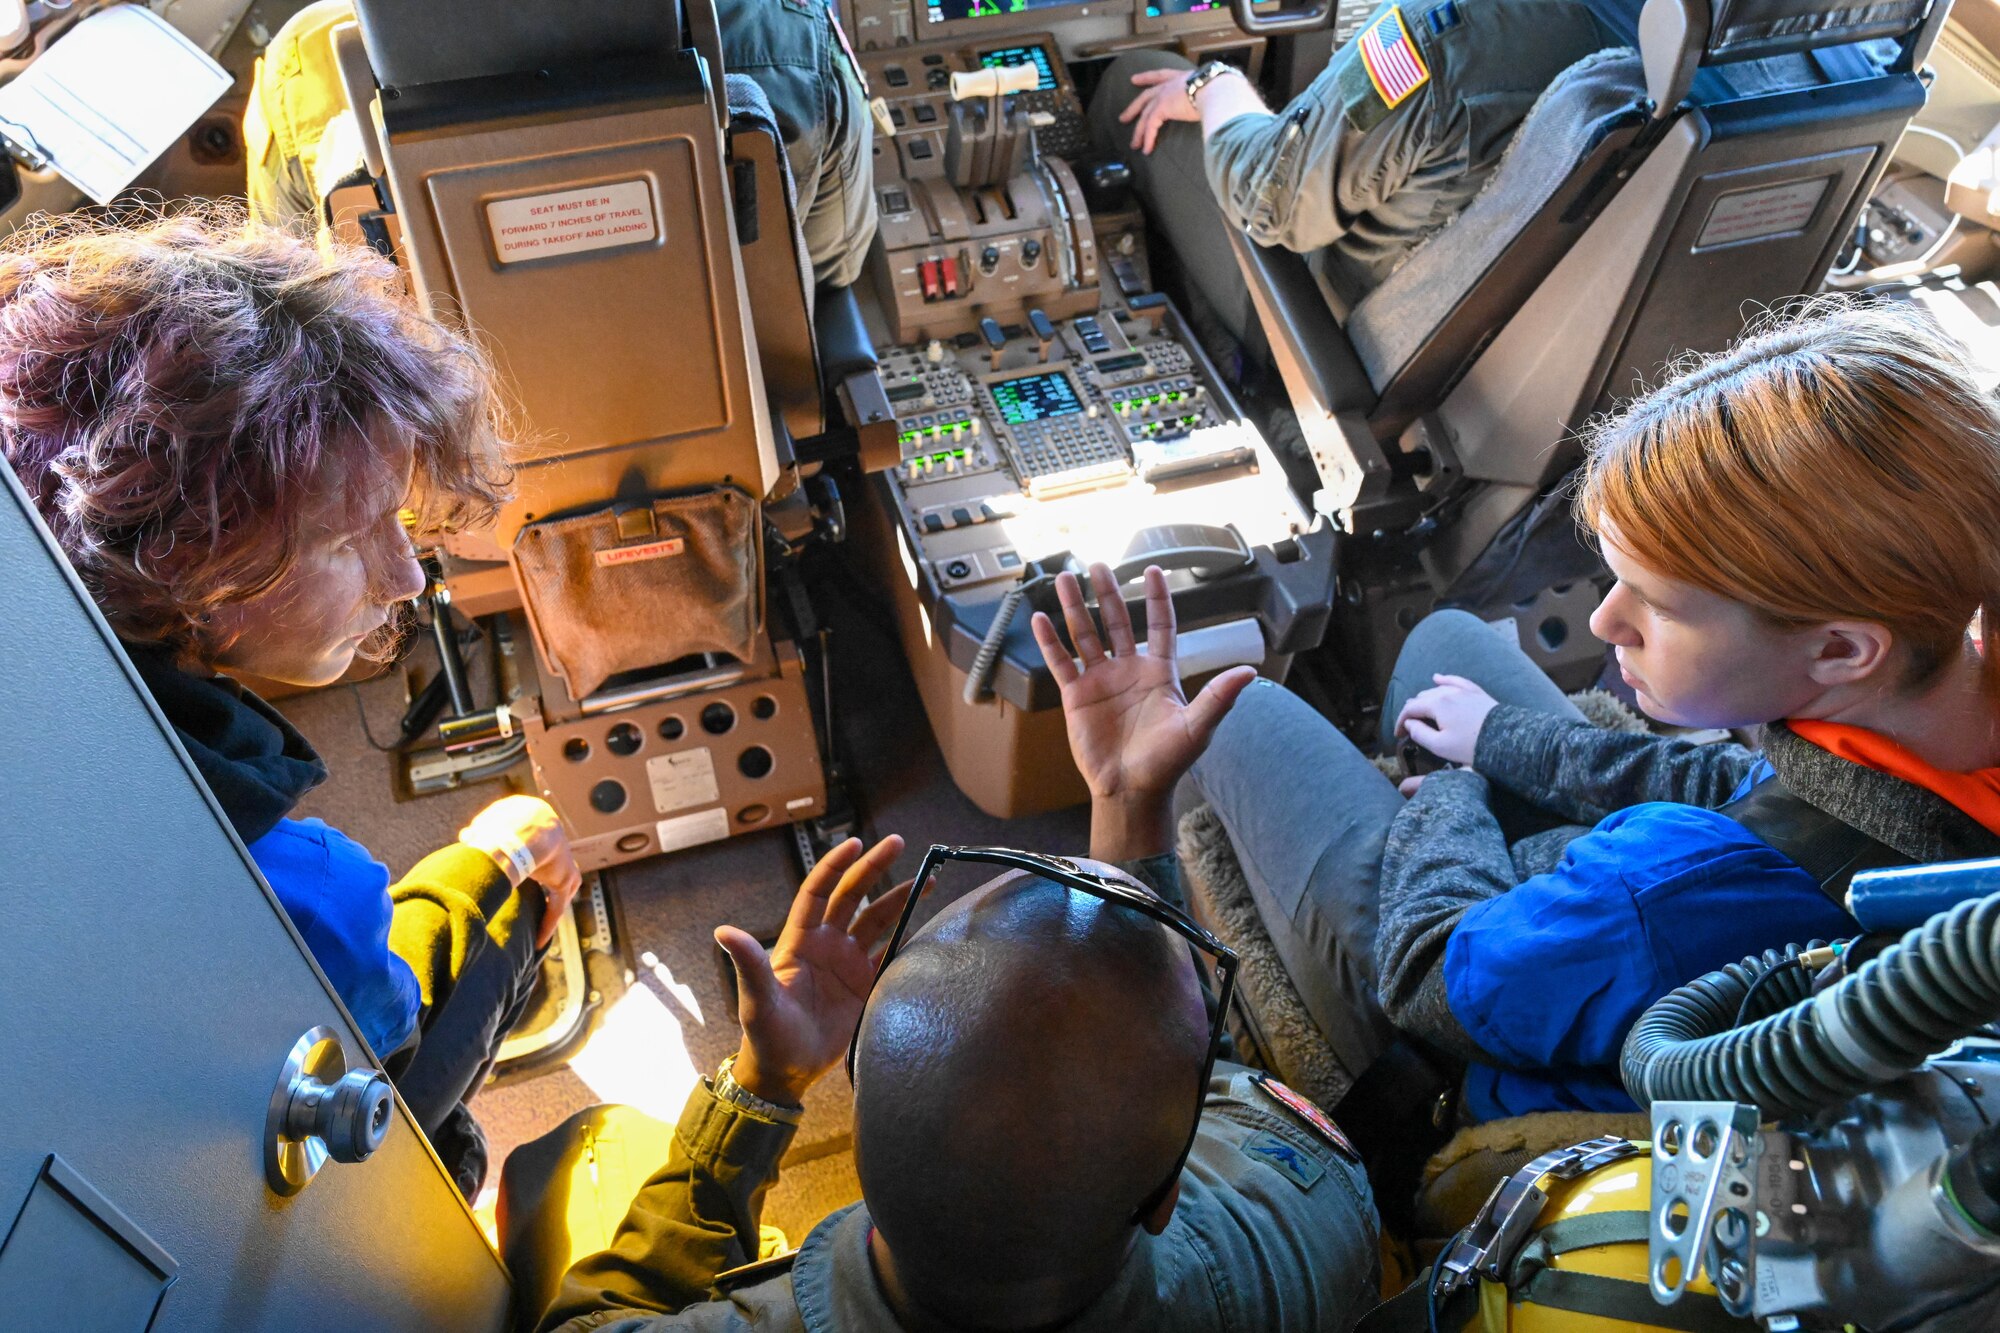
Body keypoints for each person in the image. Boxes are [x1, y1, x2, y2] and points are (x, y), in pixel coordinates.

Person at [1177, 300, 2000, 1122]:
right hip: (1628, 929)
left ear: (1842, 650)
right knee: (1447, 640)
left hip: (1477, 1048)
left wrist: (1453, 797)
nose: (1607, 621)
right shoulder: (1939, 704)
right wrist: (1501, 738)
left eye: (1659, 607)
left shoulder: (1661, 891)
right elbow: (1745, 781)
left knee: (1236, 713)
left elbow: (1432, 982)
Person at [533, 564, 1379, 1331]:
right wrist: (1128, 806)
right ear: (1162, 1202)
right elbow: (1210, 1080)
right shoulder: (1306, 1227)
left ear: (859, 1136)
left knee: (578, 1152)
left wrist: (763, 1086)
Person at [0, 209, 582, 1195]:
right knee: (510, 889)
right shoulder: (307, 892)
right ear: (182, 561)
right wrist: (498, 861)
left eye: (397, 521)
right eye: (343, 539)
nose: (404, 576)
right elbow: (375, 1019)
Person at [1086, 0, 1612, 354]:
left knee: (1127, 84)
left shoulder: (1440, 33)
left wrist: (1213, 84)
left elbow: (1266, 198)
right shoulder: (1676, 39)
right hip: (1516, 345)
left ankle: (1244, 381)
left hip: (1333, 330)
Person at [245, 0, 877, 288]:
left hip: (460, 475)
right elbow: (830, 267)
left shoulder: (304, 66)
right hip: (745, 440)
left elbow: (299, 317)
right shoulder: (789, 40)